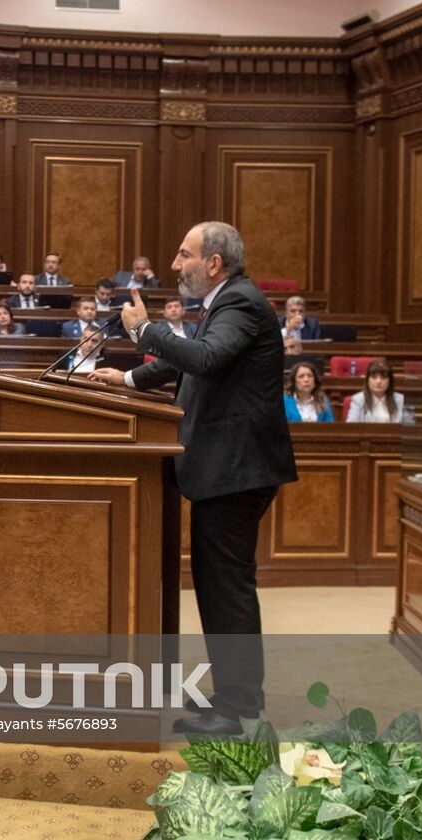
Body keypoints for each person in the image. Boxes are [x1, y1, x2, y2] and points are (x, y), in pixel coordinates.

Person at [89, 221, 296, 735]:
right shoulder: (225, 304)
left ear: (214, 263)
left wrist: (143, 330)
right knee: (218, 583)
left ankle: (240, 707)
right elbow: (195, 364)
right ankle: (235, 695)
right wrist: (130, 377)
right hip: (226, 469)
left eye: (184, 255)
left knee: (226, 586)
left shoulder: (241, 303)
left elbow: (203, 358)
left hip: (236, 471)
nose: (175, 265)